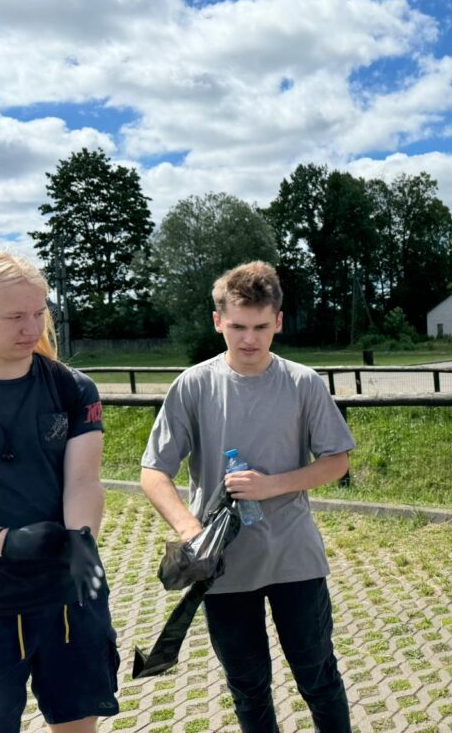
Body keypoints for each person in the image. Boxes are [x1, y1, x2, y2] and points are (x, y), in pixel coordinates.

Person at [140, 260, 353, 733]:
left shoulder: (303, 383)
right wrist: (191, 530)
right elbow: (154, 470)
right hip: (223, 565)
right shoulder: (193, 385)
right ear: (218, 321)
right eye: (237, 326)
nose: (249, 339)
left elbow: (337, 461)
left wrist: (272, 485)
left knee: (318, 676)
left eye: (261, 326)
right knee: (248, 686)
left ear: (279, 320)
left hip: (294, 558)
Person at [0, 251, 114, 732]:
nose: (32, 327)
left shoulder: (72, 388)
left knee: (80, 722)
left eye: (40, 313)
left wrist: (82, 541)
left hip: (68, 592)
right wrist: (1, 541)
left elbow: (83, 479)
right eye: (15, 316)